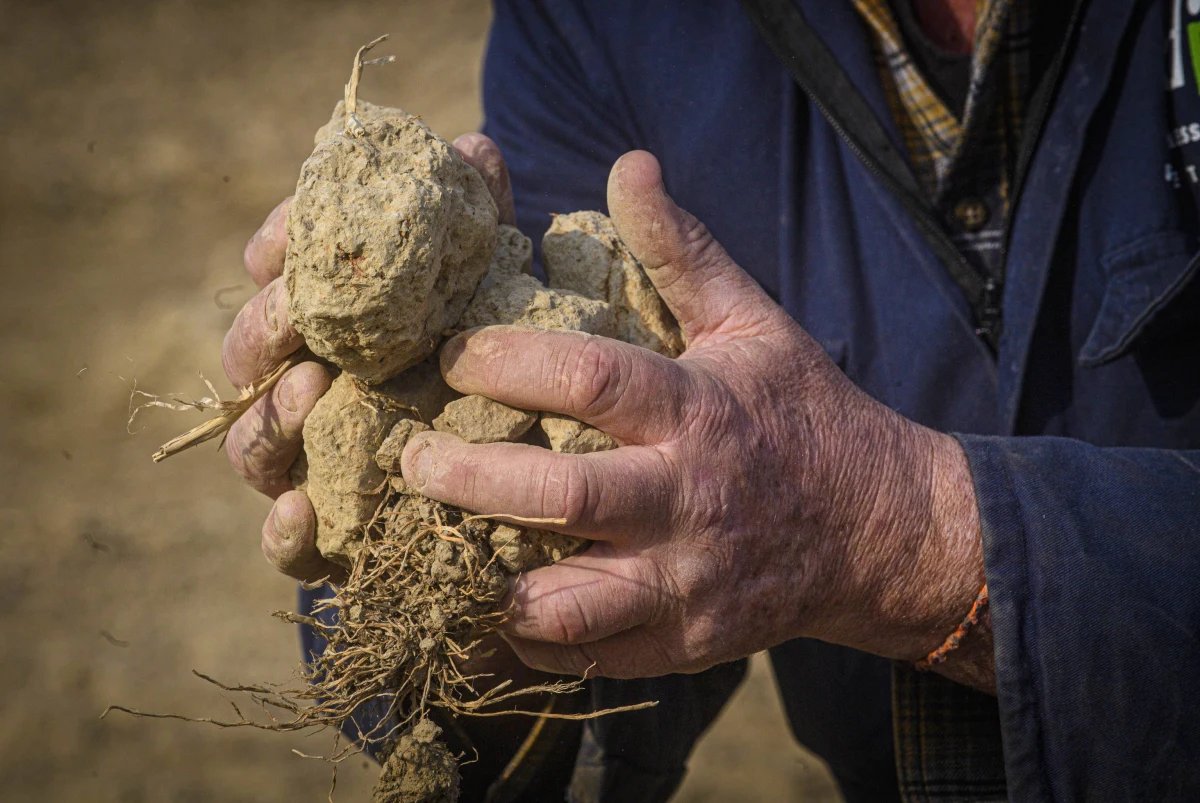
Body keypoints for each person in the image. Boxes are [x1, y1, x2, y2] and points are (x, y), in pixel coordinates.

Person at [222, 0, 1200, 800]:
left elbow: (854, 525)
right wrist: (484, 630)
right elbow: (574, 474)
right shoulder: (599, 22)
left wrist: (900, 537)